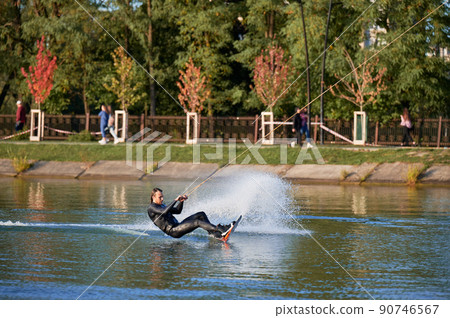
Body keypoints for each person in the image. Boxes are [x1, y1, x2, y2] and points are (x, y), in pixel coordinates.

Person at [147, 188, 233, 239]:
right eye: (160, 197)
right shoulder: (152, 208)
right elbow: (164, 211)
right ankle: (222, 230)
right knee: (197, 222)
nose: (162, 199)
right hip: (173, 231)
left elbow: (177, 211)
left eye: (162, 197)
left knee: (201, 214)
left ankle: (213, 233)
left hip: (178, 225)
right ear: (153, 197)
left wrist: (181, 202)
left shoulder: (162, 205)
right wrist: (175, 200)